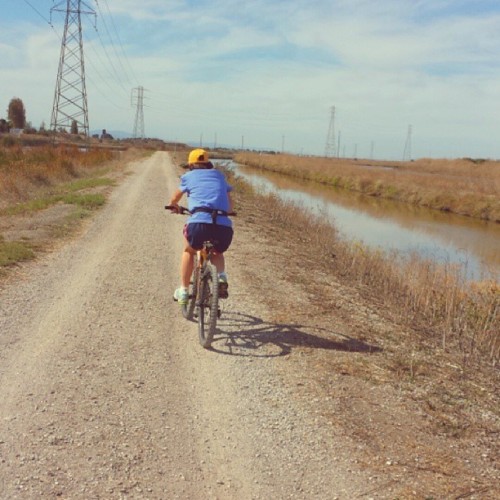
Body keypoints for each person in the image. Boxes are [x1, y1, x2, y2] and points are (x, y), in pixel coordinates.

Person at [169, 148, 234, 305]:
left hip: (199, 224)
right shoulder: (219, 176)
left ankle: (184, 291)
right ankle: (221, 277)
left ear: (191, 165)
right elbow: (230, 205)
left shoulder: (189, 176)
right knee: (217, 252)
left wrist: (174, 205)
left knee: (189, 251)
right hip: (223, 228)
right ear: (208, 164)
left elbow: (176, 197)